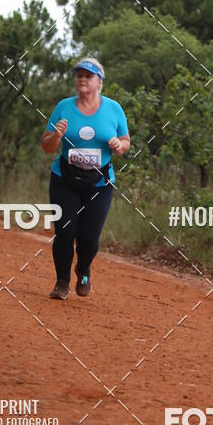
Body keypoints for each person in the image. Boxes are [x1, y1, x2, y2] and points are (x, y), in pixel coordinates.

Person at [41, 57, 130, 300]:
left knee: (89, 238)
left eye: (88, 75)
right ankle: (62, 282)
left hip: (99, 183)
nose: (82, 78)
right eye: (79, 74)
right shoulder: (63, 107)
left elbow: (126, 142)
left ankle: (84, 269)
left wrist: (119, 146)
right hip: (65, 179)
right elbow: (47, 146)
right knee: (65, 232)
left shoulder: (113, 109)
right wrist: (56, 136)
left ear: (99, 81)